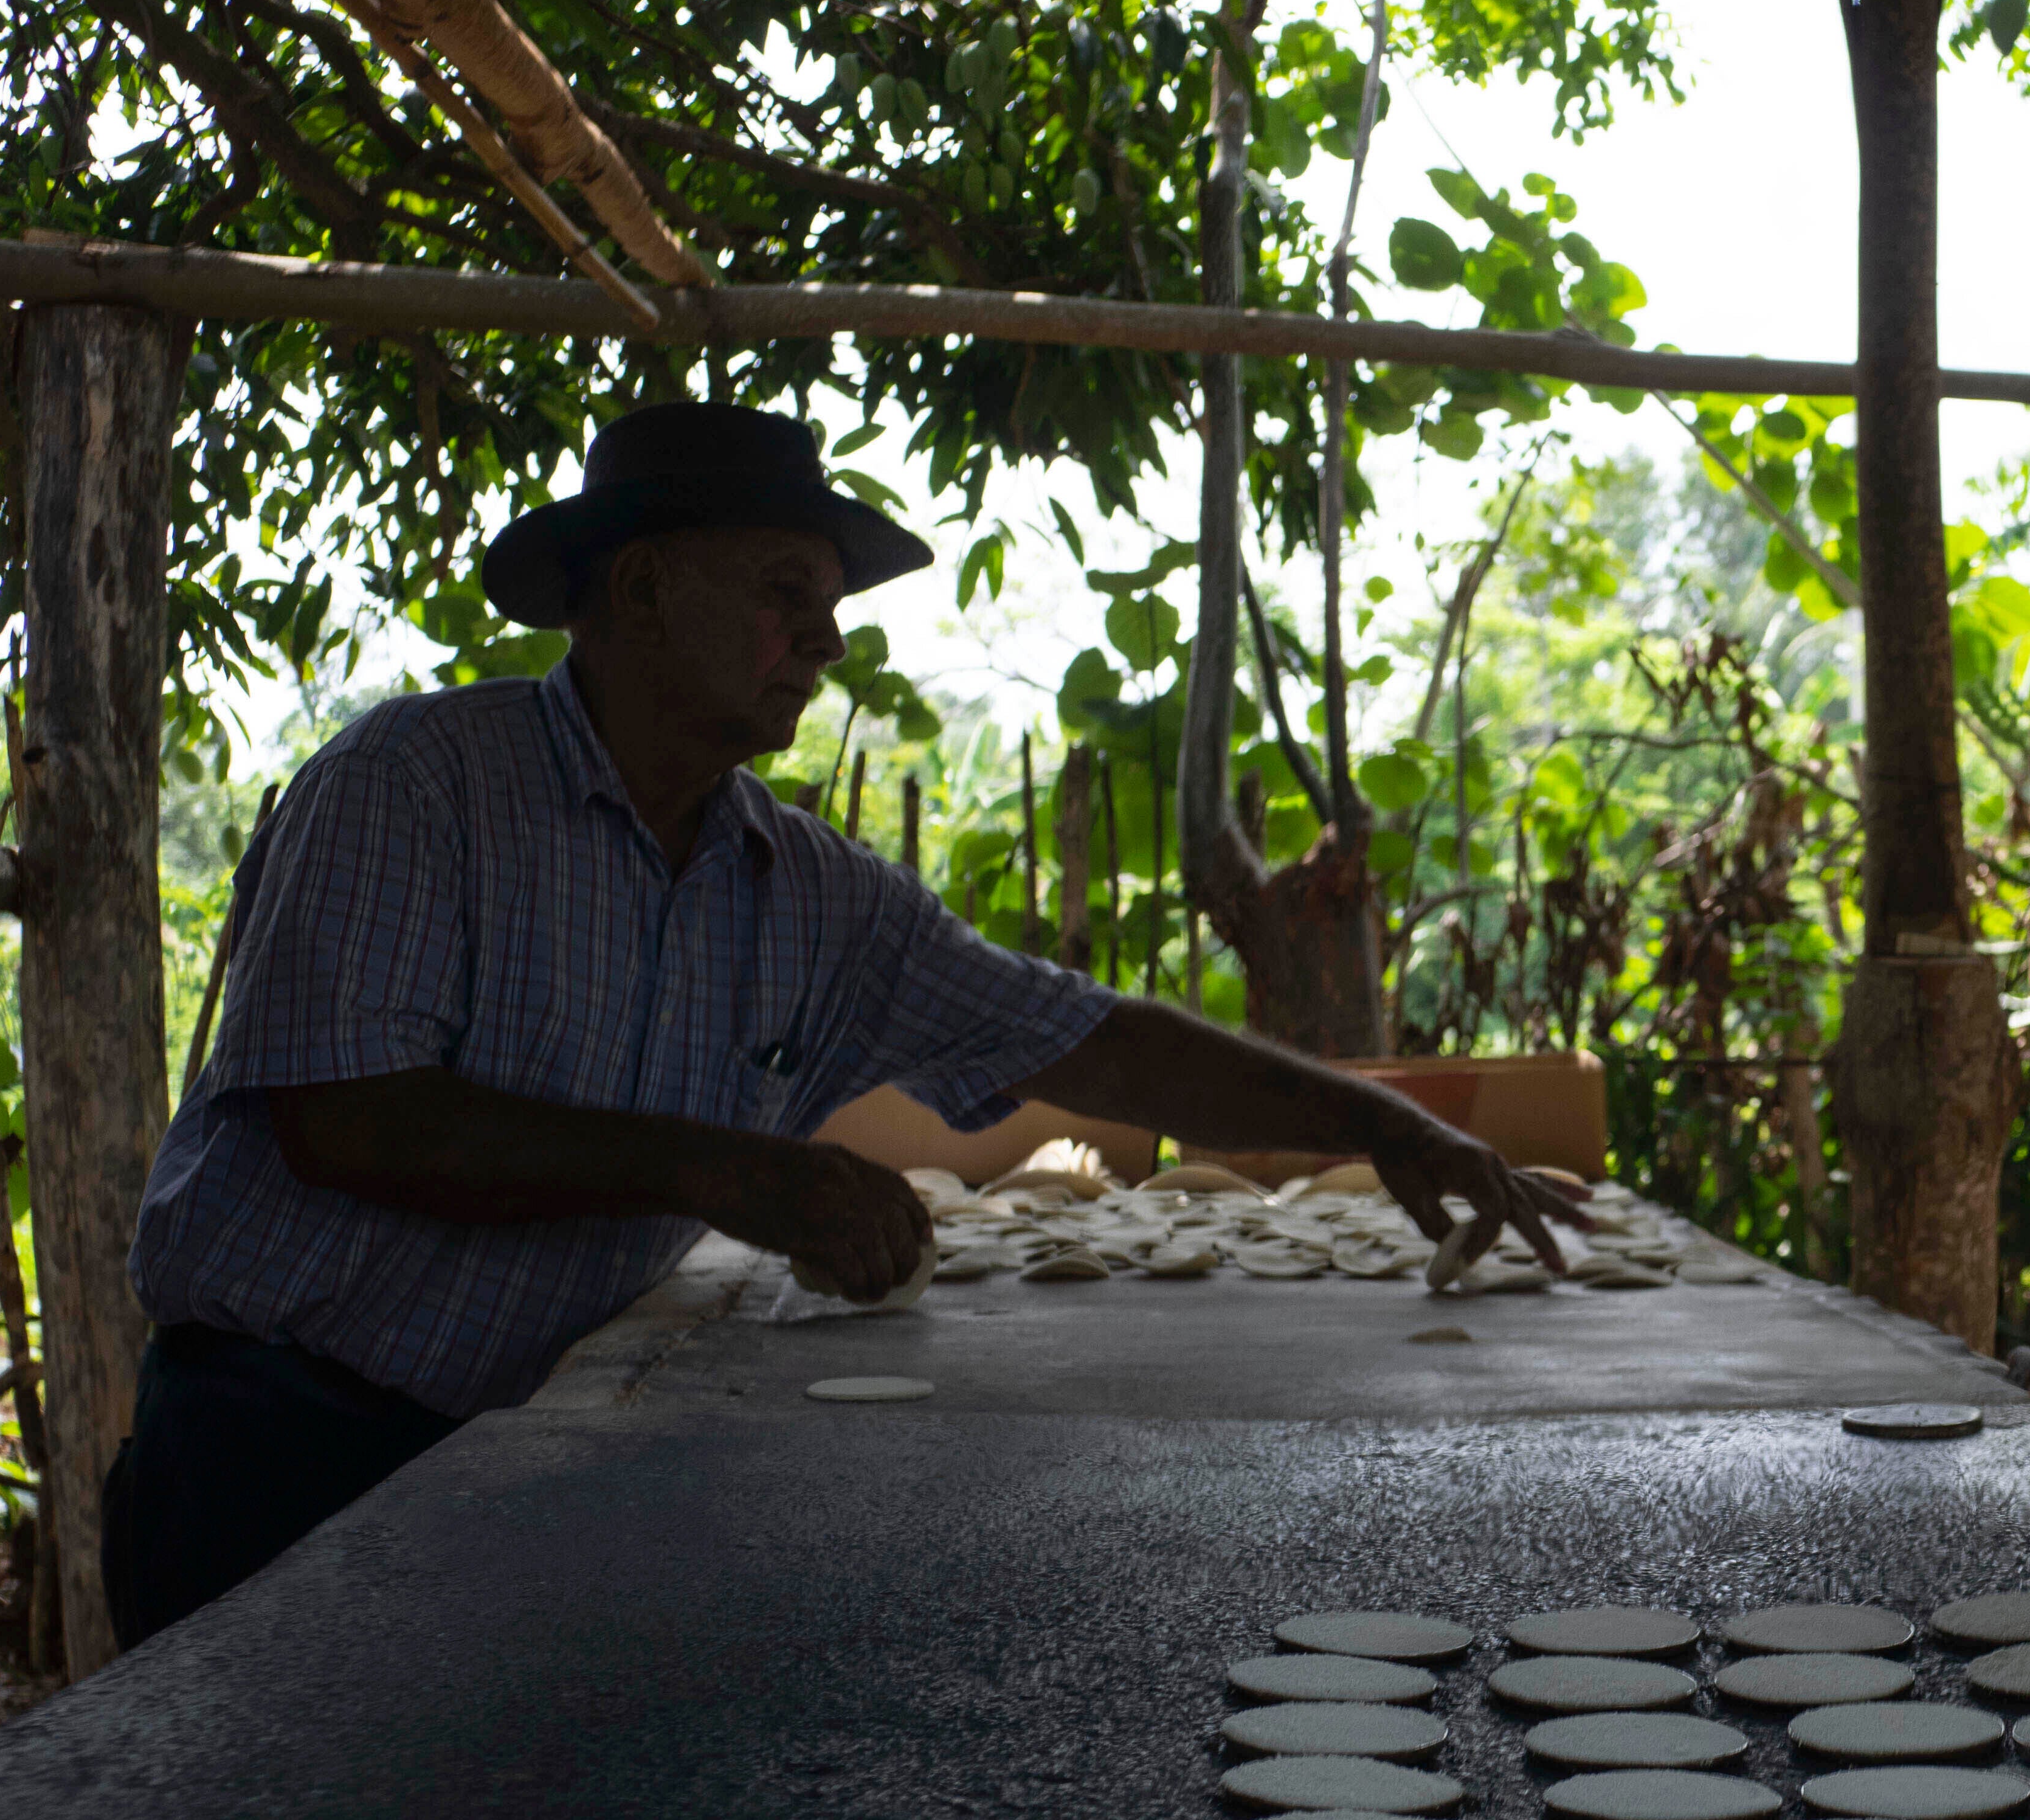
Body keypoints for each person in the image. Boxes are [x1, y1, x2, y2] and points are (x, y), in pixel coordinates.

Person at [112, 400, 1569, 1642]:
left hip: (520, 1458)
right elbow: (351, 1121)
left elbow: (1093, 1040)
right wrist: (733, 1174)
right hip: (278, 1450)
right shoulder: (415, 785)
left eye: (831, 611)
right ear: (636, 592)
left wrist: (1377, 1120)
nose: (821, 643)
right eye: (782, 593)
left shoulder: (807, 896)